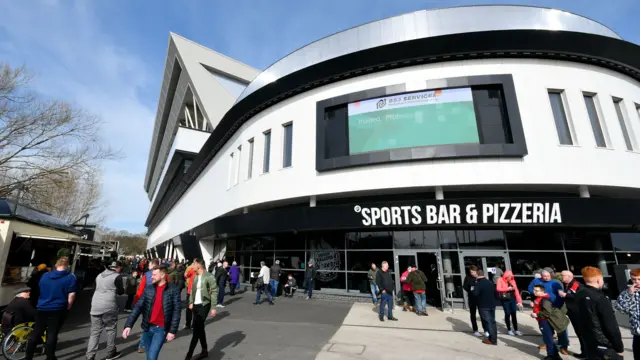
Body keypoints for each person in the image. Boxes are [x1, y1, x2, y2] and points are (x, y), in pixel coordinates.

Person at [25, 256, 77, 360]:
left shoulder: (45, 276)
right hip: (58, 309)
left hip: (42, 307)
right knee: (52, 333)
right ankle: (50, 357)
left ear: (56, 265)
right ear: (67, 266)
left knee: (36, 332)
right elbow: (71, 296)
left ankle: (28, 357)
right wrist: (68, 308)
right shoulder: (70, 277)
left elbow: (39, 289)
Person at [123, 266, 181, 360]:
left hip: (161, 329)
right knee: (149, 356)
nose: (151, 277)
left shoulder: (173, 290)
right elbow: (138, 307)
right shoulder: (149, 289)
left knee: (152, 357)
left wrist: (172, 331)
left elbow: (176, 312)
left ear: (162, 275)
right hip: (147, 328)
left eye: (154, 274)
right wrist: (128, 325)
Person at [575, 266, 624, 359]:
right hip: (605, 345)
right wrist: (619, 347)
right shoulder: (601, 298)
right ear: (598, 280)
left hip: (589, 342)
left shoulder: (579, 295)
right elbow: (611, 327)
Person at [86, 261, 125, 360]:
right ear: (117, 267)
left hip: (95, 304)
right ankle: (110, 352)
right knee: (111, 329)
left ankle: (90, 356)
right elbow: (121, 291)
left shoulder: (99, 275)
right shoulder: (117, 276)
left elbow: (94, 288)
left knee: (95, 332)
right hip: (109, 305)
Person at [528, 269, 568, 353]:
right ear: (541, 276)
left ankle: (563, 346)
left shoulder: (555, 283)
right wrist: (537, 294)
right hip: (544, 308)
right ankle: (549, 344)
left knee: (560, 327)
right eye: (544, 276)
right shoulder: (536, 281)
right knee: (547, 328)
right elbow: (530, 289)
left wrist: (561, 293)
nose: (546, 278)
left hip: (556, 308)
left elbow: (560, 291)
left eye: (548, 276)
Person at [185, 258, 217, 360]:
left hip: (204, 305)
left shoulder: (209, 276)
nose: (192, 266)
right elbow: (191, 291)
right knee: (200, 328)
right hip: (196, 305)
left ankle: (189, 355)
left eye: (194, 264)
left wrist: (213, 307)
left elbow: (214, 292)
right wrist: (190, 302)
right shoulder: (195, 277)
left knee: (196, 330)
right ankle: (204, 350)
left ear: (199, 266)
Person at [530, 284, 570, 360]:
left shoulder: (544, 300)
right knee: (548, 338)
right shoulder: (540, 298)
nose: (534, 291)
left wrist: (536, 314)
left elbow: (547, 312)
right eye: (534, 290)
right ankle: (554, 355)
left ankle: (552, 356)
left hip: (545, 321)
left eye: (536, 290)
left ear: (542, 291)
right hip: (543, 320)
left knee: (548, 339)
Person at [557, 270, 586, 358]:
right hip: (573, 313)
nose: (561, 277)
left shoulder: (576, 285)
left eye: (563, 275)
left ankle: (586, 353)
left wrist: (565, 295)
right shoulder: (568, 285)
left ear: (569, 276)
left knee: (582, 334)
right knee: (579, 333)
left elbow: (579, 296)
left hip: (579, 313)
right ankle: (584, 352)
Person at [616, 267, 640, 359]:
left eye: (639, 279)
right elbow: (621, 309)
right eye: (634, 279)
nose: (636, 282)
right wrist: (629, 295)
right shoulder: (627, 292)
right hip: (637, 334)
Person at [472, 270, 497, 346]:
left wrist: (472, 289)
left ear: (477, 275)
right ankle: (493, 338)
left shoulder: (478, 283)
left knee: (488, 322)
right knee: (492, 322)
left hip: (483, 305)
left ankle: (492, 340)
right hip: (492, 305)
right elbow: (495, 293)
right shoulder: (490, 282)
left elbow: (475, 293)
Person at [495, 270, 523, 336]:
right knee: (507, 313)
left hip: (512, 299)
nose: (510, 278)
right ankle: (509, 329)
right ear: (505, 276)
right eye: (509, 277)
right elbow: (498, 289)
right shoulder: (500, 279)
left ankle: (516, 330)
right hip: (505, 299)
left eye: (511, 277)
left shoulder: (512, 281)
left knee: (514, 314)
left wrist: (519, 301)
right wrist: (508, 288)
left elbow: (516, 291)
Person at [463, 265, 486, 337]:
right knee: (473, 314)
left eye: (473, 272)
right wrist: (470, 289)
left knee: (482, 314)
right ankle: (475, 330)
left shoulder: (480, 277)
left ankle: (485, 330)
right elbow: (465, 286)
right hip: (472, 298)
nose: (472, 273)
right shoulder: (467, 277)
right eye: (471, 272)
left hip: (480, 298)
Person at [184, 261, 197, 330]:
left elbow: (186, 275)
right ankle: (188, 324)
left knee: (194, 308)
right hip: (190, 291)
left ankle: (192, 324)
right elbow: (186, 275)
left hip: (195, 292)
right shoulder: (192, 270)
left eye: (194, 264)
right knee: (189, 308)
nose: (193, 265)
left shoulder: (199, 271)